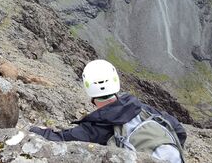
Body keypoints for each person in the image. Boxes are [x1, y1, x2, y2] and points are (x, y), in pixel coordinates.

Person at [30, 59, 187, 162]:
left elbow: (61, 139)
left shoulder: (96, 128)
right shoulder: (144, 109)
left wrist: (33, 130)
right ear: (116, 81)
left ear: (87, 87)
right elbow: (178, 131)